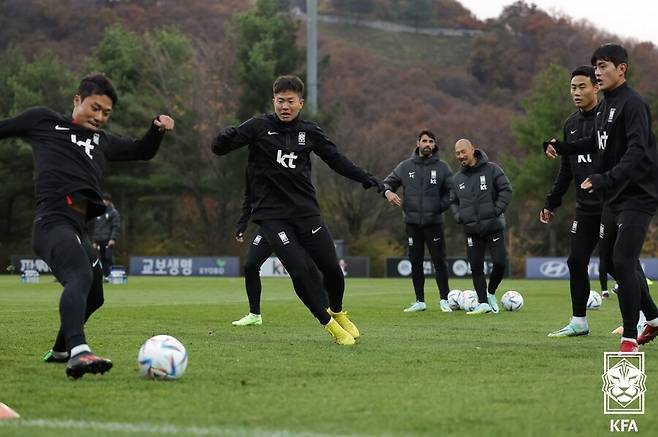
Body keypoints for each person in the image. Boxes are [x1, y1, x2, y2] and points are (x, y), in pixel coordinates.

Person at [0, 74, 174, 377]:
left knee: (95, 293)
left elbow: (142, 150)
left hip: (77, 228)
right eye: (95, 108)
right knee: (79, 275)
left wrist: (156, 130)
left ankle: (61, 349)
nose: (99, 117)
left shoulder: (102, 142)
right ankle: (79, 352)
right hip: (52, 222)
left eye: (106, 113)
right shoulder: (43, 121)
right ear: (77, 100)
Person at [211, 75, 384, 345]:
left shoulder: (310, 132)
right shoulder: (258, 127)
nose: (285, 106)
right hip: (271, 216)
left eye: (290, 101)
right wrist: (222, 139)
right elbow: (220, 149)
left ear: (300, 103)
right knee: (302, 270)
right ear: (273, 101)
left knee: (332, 270)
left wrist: (367, 178)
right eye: (280, 101)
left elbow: (337, 160)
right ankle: (330, 326)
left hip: (306, 212)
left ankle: (337, 312)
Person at [544, 43, 658, 352]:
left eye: (603, 66)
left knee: (622, 260)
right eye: (596, 66)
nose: (598, 71)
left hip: (638, 195)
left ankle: (630, 337)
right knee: (610, 262)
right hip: (614, 197)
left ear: (621, 69)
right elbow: (596, 142)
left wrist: (603, 178)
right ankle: (655, 319)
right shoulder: (607, 106)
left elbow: (637, 151)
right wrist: (563, 146)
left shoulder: (633, 104)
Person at [541, 66, 607, 337]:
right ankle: (579, 321)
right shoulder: (570, 124)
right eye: (573, 87)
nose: (577, 92)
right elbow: (566, 169)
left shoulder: (608, 119)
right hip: (585, 207)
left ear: (596, 87)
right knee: (575, 260)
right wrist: (551, 202)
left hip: (611, 203)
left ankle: (643, 318)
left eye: (582, 86)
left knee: (618, 262)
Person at [382, 129, 453, 313]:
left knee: (439, 262)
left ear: (434, 145)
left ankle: (445, 300)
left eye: (431, 141)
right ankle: (420, 301)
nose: (427, 144)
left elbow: (452, 192)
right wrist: (388, 193)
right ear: (418, 143)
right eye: (424, 141)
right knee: (415, 262)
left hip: (434, 223)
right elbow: (387, 183)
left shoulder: (443, 168)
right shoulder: (405, 167)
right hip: (412, 224)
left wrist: (439, 206)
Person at [450, 139, 512, 314]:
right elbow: (452, 200)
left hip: (493, 226)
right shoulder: (457, 179)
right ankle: (483, 302)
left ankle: (491, 292)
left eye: (463, 152)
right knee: (476, 267)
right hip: (471, 230)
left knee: (500, 264)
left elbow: (506, 190)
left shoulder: (492, 169)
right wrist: (458, 215)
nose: (460, 156)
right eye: (457, 153)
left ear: (472, 150)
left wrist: (496, 209)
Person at [93, 192, 120, 278]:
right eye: (103, 200)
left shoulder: (113, 212)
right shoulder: (98, 212)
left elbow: (115, 226)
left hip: (108, 240)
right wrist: (94, 241)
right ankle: (107, 276)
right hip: (99, 240)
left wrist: (113, 239)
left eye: (106, 200)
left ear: (109, 201)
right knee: (102, 258)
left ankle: (115, 274)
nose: (104, 201)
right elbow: (96, 227)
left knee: (109, 258)